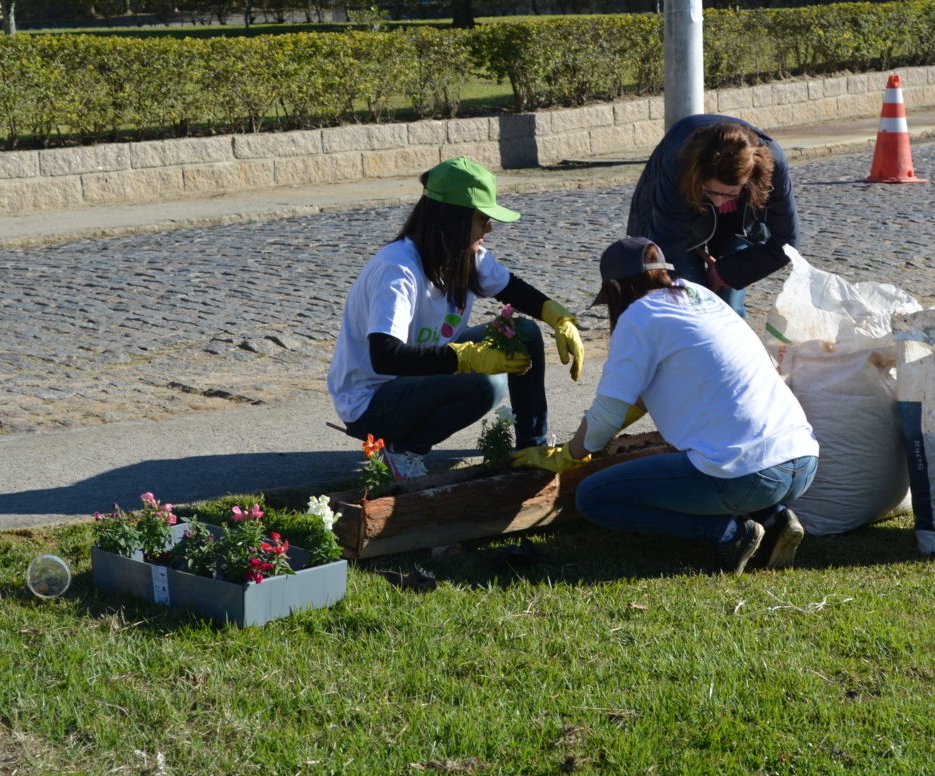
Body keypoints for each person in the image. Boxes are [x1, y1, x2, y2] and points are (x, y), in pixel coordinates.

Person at [511, 236, 818, 574]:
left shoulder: (640, 316)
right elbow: (648, 394)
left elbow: (607, 415)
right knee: (718, 452)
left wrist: (571, 452)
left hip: (749, 478)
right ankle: (775, 520)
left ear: (615, 288)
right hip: (802, 462)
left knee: (593, 497)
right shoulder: (701, 296)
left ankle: (728, 533)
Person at [327, 156, 585, 480]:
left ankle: (531, 448)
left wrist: (559, 317)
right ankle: (404, 448)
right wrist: (467, 357)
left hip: (418, 380)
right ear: (454, 220)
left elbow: (513, 289)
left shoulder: (465, 255)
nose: (490, 228)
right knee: (483, 383)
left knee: (524, 333)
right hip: (373, 403)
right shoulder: (398, 270)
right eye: (482, 218)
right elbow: (385, 357)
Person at [626, 114, 799, 318]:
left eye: (728, 193)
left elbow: (787, 243)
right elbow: (669, 242)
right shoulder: (678, 163)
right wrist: (695, 297)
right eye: (712, 192)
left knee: (729, 309)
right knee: (691, 307)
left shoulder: (772, 163)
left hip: (740, 220)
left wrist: (724, 273)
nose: (718, 202)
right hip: (683, 212)